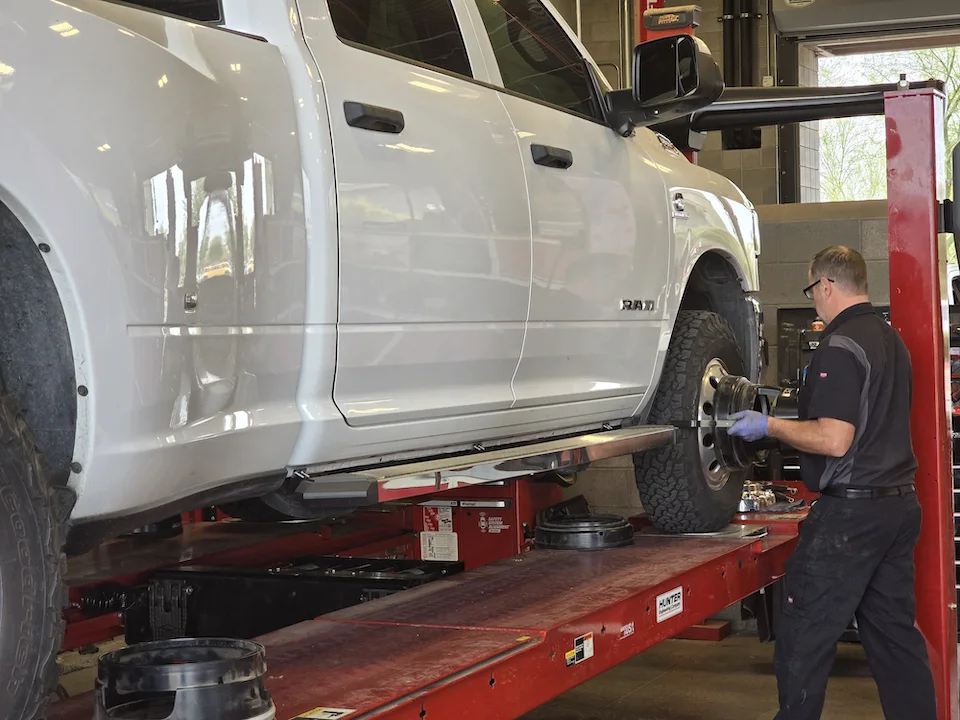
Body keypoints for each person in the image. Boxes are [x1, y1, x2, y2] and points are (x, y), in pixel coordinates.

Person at [728, 246, 936, 720]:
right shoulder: (890, 339)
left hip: (851, 517)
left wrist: (770, 427)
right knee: (894, 640)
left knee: (803, 635)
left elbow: (834, 438)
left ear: (825, 285)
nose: (815, 300)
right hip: (898, 508)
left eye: (812, 289)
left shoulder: (840, 345)